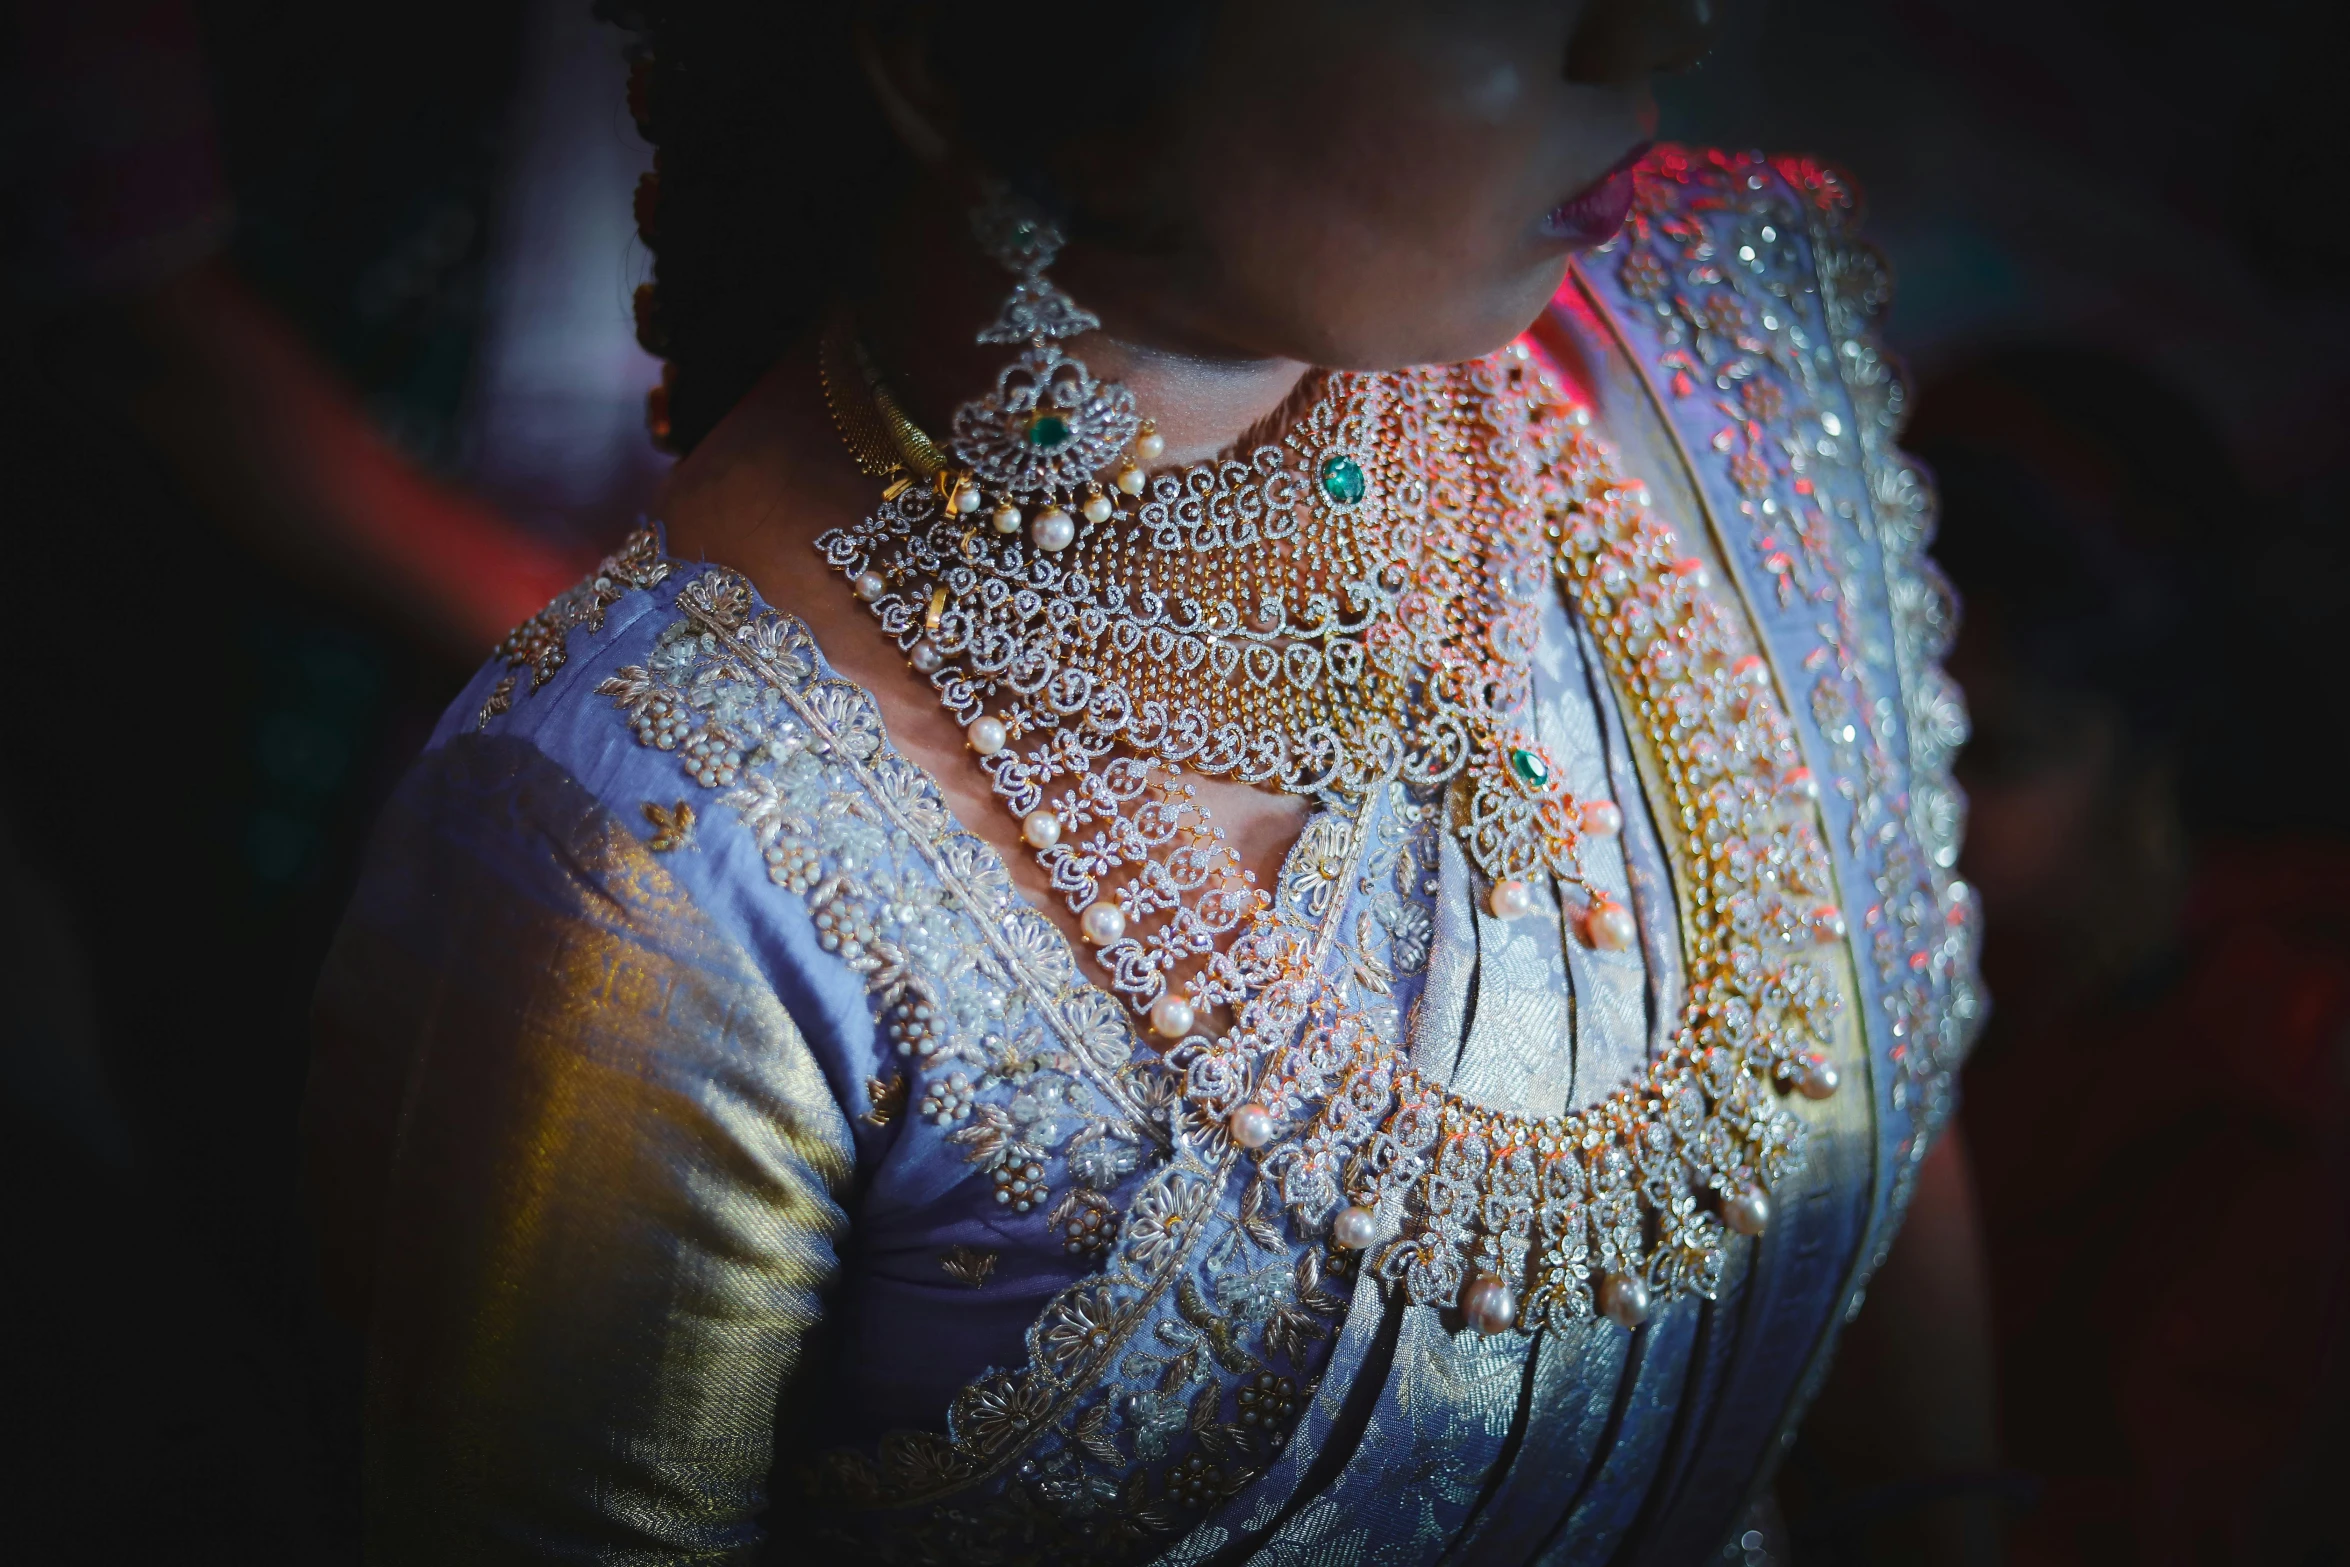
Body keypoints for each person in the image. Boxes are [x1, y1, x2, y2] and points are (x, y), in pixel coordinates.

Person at [306, 2, 1993, 1561]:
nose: (1654, 27)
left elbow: (1869, 1136)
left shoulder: (1685, 345)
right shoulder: (665, 850)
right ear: (973, 67)